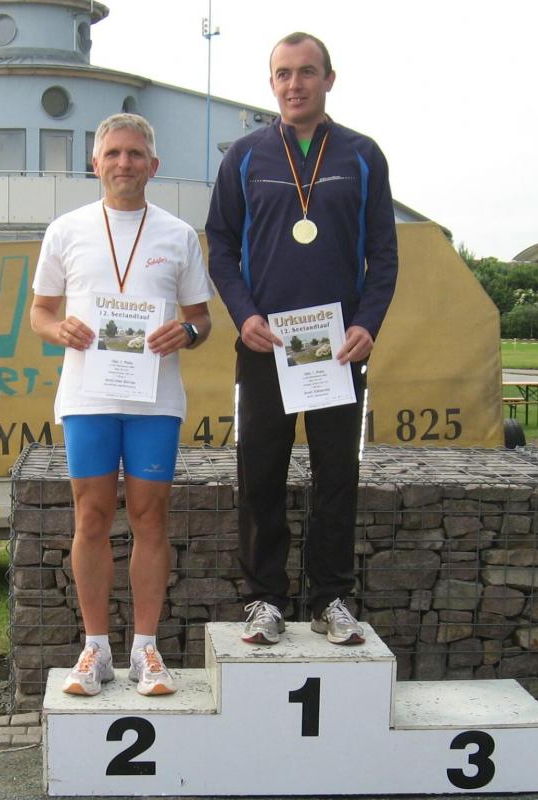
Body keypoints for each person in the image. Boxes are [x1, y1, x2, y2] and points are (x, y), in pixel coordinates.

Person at [206, 33, 397, 646]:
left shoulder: (362, 155)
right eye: (283, 73)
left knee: (336, 474)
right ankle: (264, 600)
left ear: (328, 79)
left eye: (307, 72)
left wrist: (368, 323)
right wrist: (243, 315)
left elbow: (383, 255)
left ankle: (329, 599)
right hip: (266, 346)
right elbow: (221, 247)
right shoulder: (245, 156)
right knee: (259, 474)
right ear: (271, 84)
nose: (295, 84)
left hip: (337, 348)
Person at [31, 113, 213, 695]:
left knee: (149, 518)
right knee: (90, 517)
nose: (123, 163)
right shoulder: (66, 230)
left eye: (135, 154)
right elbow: (40, 313)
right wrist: (58, 329)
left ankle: (145, 649)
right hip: (88, 397)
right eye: (112, 153)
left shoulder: (179, 235)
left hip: (155, 400)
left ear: (153, 165)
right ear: (95, 163)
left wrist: (185, 333)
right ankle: (95, 649)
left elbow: (202, 319)